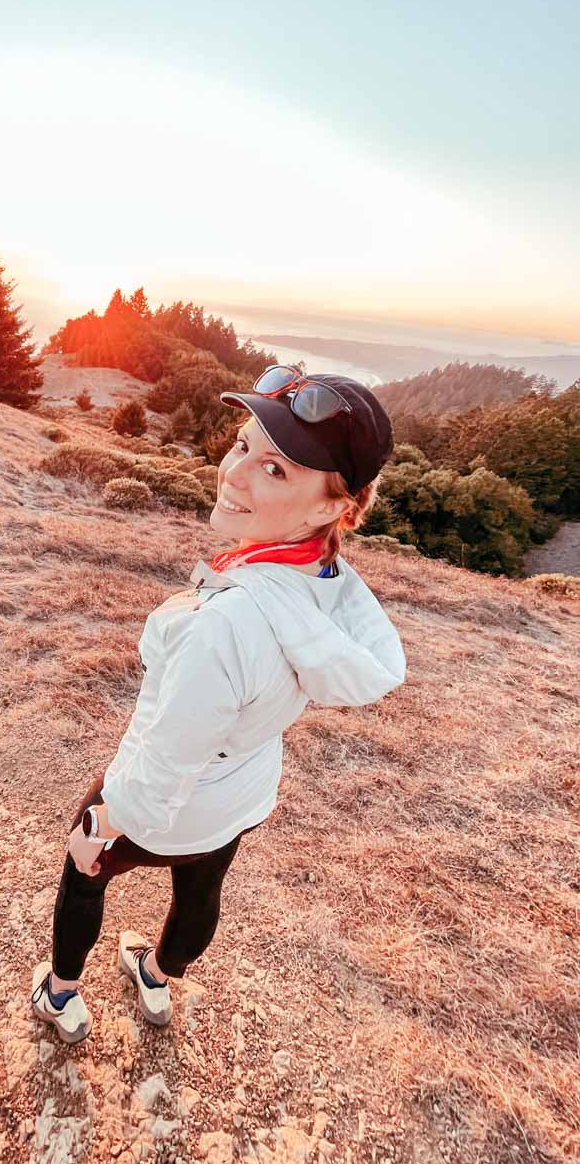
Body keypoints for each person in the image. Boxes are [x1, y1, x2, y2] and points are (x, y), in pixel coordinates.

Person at [31, 366, 408, 1044]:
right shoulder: (324, 580)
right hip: (240, 795)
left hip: (170, 798)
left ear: (330, 506)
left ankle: (59, 996)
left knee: (81, 872)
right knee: (200, 894)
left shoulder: (225, 627)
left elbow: (169, 758)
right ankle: (154, 979)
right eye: (242, 445)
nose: (233, 473)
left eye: (275, 470)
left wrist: (109, 826)